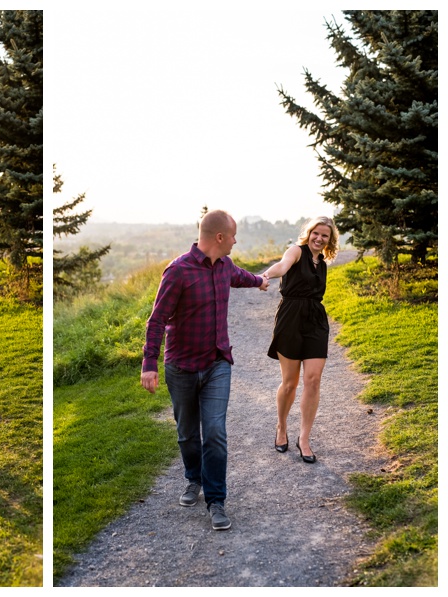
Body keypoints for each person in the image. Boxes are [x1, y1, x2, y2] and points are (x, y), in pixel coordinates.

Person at [141, 210, 269, 531]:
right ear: (220, 237)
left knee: (214, 432)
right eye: (234, 235)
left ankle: (216, 500)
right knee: (187, 433)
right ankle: (192, 479)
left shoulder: (225, 266)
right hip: (181, 367)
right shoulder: (178, 272)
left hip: (217, 363)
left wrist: (261, 281)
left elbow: (242, 276)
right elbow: (156, 321)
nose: (237, 241)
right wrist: (149, 365)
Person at [261, 216, 338, 464]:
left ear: (330, 239)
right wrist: (265, 275)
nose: (319, 238)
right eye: (316, 233)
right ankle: (281, 427)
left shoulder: (323, 262)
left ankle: (304, 438)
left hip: (316, 320)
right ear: (309, 233)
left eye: (325, 235)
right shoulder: (296, 251)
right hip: (291, 318)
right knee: (290, 383)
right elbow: (282, 267)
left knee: (313, 380)